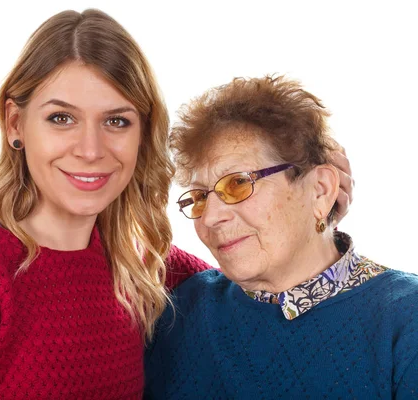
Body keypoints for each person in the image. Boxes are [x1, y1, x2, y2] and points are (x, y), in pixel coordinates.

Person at [0, 9, 209, 399]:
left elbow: (251, 288)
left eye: (116, 121)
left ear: (143, 135)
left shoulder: (141, 262)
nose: (90, 150)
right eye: (62, 118)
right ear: (15, 124)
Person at [144, 75, 418, 399]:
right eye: (200, 196)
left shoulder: (404, 319)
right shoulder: (181, 310)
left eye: (238, 184)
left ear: (320, 190)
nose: (210, 217)